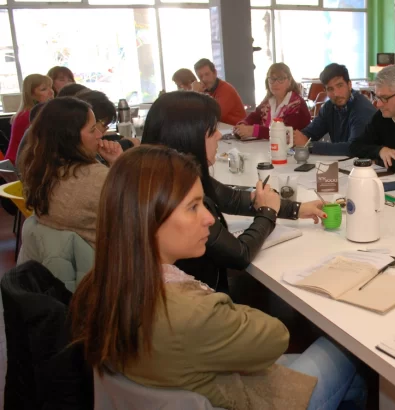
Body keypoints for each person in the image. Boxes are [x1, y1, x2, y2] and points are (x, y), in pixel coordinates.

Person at [69, 145, 367, 410]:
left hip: (180, 380)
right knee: (346, 347)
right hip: (229, 394)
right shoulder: (189, 312)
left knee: (352, 385)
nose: (209, 218)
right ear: (149, 217)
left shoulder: (97, 285)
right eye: (193, 207)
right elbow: (276, 338)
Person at [142, 91, 325, 292]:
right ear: (187, 136)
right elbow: (240, 254)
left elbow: (232, 198)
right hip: (206, 298)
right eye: (212, 131)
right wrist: (268, 213)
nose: (220, 135)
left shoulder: (165, 176)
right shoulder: (176, 195)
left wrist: (297, 209)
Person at [20, 97, 123, 246]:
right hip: (107, 261)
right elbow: (138, 216)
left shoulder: (41, 171)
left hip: (69, 262)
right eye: (93, 129)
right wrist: (119, 163)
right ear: (70, 136)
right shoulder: (96, 178)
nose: (100, 135)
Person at [293, 63, 376, 155]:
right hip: (345, 164)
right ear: (325, 90)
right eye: (330, 89)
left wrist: (309, 145)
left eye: (340, 85)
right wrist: (294, 138)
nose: (336, 93)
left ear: (349, 85)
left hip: (372, 166)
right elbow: (310, 133)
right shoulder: (329, 107)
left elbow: (354, 148)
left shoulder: (362, 109)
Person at [234, 63, 311, 141]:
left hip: (292, 151)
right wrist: (242, 125)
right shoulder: (269, 100)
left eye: (281, 79)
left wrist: (254, 131)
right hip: (267, 147)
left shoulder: (296, 104)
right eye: (272, 79)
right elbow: (254, 117)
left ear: (289, 81)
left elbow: (286, 133)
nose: (275, 83)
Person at [5, 74, 54, 164]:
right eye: (44, 89)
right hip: (19, 164)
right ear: (31, 95)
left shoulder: (32, 112)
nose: (51, 92)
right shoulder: (28, 115)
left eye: (51, 87)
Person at [194, 58, 246, 124]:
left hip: (236, 130)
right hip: (223, 129)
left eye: (207, 74)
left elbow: (213, 117)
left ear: (215, 73)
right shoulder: (204, 90)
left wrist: (196, 94)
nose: (204, 79)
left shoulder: (225, 89)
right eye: (200, 76)